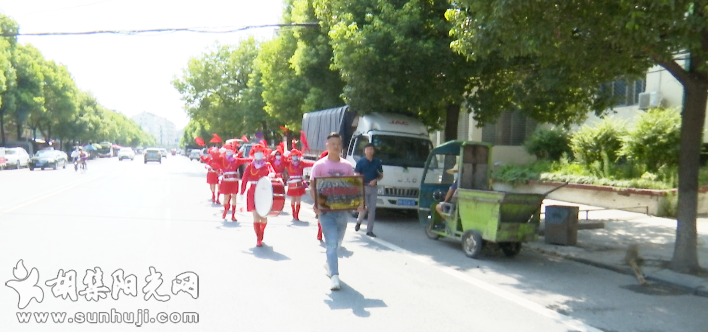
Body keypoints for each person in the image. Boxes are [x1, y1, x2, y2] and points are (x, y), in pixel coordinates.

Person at [310, 132, 362, 290]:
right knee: (331, 244)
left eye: (338, 144)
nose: (336, 147)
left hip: (341, 213)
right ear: (327, 145)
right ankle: (335, 276)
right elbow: (312, 186)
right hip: (326, 213)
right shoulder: (319, 165)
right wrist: (316, 204)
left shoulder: (346, 166)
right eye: (333, 144)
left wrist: (357, 204)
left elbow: (351, 187)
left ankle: (329, 264)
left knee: (337, 244)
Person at [240, 144, 276, 247]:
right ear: (253, 154)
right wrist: (242, 192)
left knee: (263, 217)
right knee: (255, 216)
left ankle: (261, 232)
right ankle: (258, 238)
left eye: (260, 152)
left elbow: (272, 172)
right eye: (256, 153)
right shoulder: (250, 166)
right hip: (252, 192)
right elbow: (244, 179)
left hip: (264, 193)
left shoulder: (267, 164)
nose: (258, 154)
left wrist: (272, 174)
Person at [354, 143, 383, 237]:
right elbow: (356, 175)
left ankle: (369, 230)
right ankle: (359, 221)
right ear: (364, 151)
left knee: (372, 209)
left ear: (373, 151)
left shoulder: (377, 162)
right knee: (364, 208)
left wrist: (376, 180)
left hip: (373, 188)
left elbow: (381, 175)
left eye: (371, 149)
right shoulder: (361, 162)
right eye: (368, 149)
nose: (369, 151)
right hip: (363, 187)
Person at [220, 144, 251, 222]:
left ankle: (233, 215)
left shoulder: (235, 160)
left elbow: (245, 160)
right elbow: (214, 159)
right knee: (226, 198)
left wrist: (254, 159)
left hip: (234, 181)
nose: (229, 152)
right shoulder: (222, 159)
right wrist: (217, 152)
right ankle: (226, 209)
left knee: (234, 197)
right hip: (226, 181)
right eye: (227, 151)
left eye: (231, 151)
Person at [284, 149, 315, 222]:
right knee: (292, 199)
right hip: (292, 183)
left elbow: (310, 164)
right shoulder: (288, 163)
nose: (294, 157)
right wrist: (284, 155)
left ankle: (296, 215)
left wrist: (319, 163)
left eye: (296, 155)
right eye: (293, 155)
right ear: (291, 156)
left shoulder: (301, 163)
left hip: (299, 183)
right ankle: (293, 212)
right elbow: (282, 161)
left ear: (298, 156)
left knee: (298, 200)